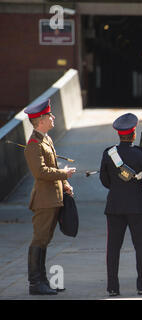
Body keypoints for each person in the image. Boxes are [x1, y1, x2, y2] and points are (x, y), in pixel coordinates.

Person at [99, 113, 142, 297]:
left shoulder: (109, 153)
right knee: (141, 246)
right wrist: (138, 182)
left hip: (114, 205)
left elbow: (104, 180)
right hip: (136, 207)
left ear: (119, 134)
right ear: (133, 134)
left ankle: (113, 288)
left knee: (113, 248)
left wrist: (118, 186)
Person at [23, 99, 76, 295]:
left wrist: (65, 184)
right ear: (41, 120)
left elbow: (51, 167)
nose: (53, 118)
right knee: (39, 239)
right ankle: (35, 283)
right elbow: (41, 172)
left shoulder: (46, 139)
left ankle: (42, 280)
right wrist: (64, 174)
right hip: (44, 200)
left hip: (54, 197)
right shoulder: (34, 144)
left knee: (45, 239)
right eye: (50, 116)